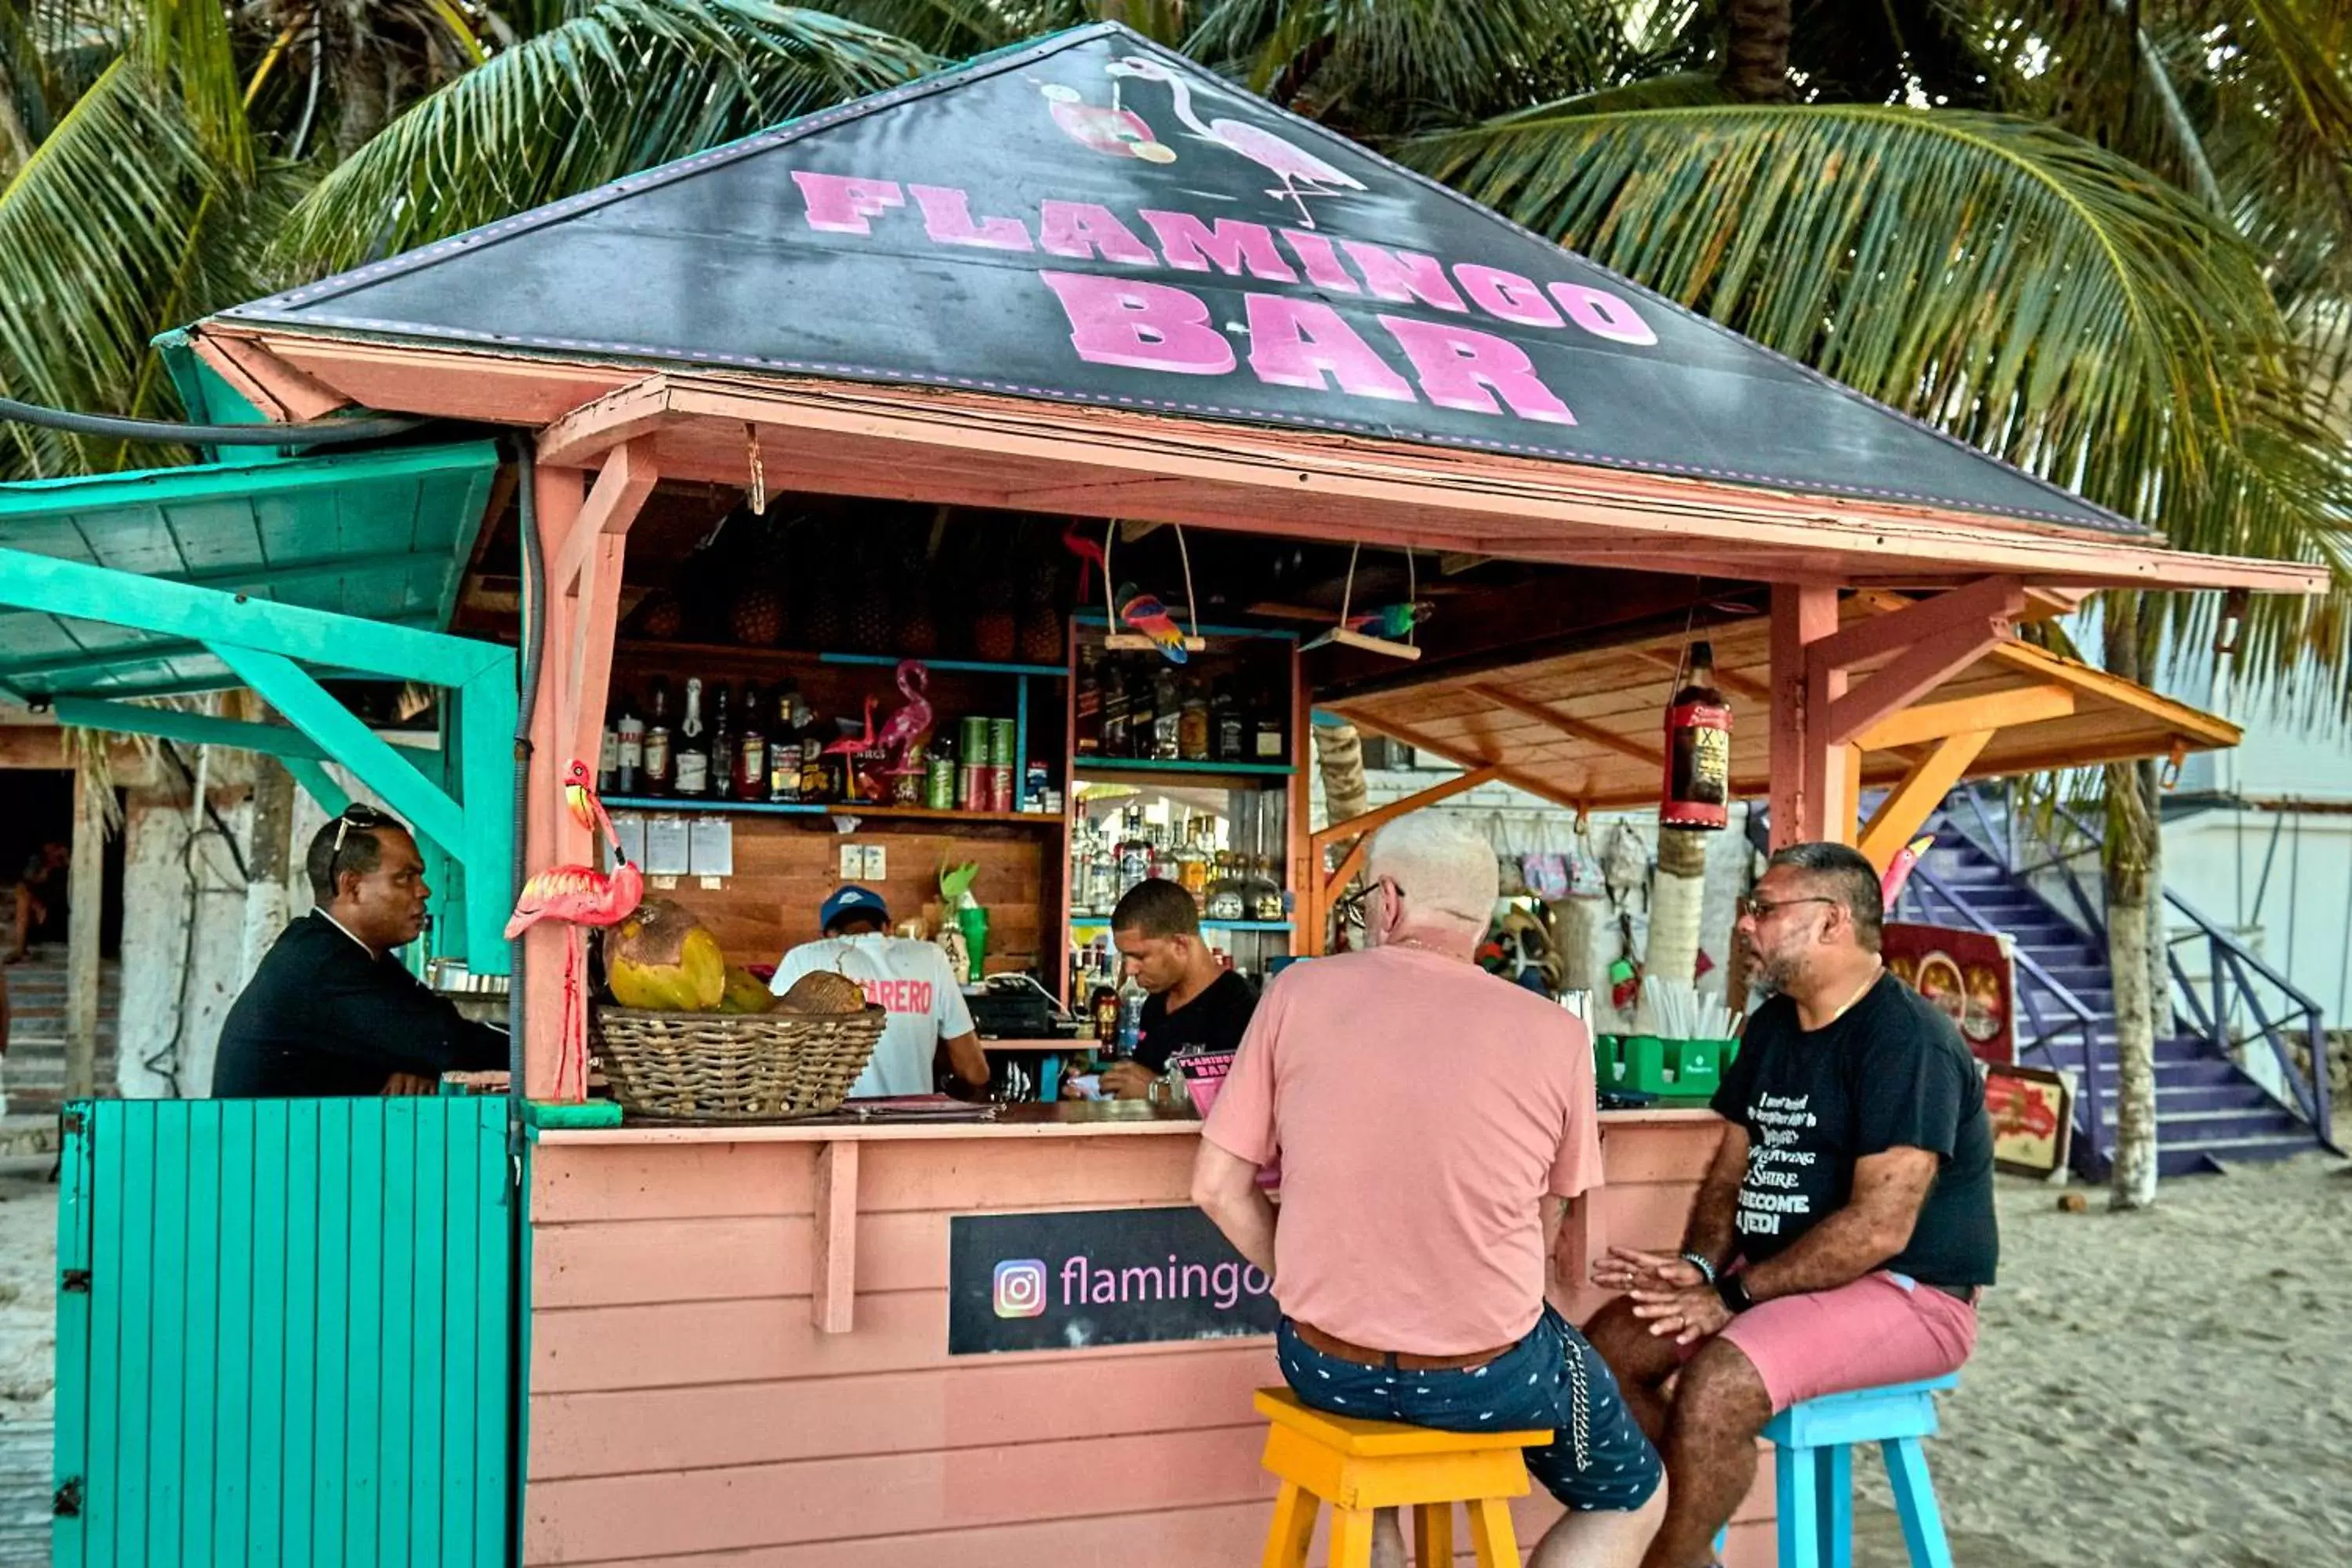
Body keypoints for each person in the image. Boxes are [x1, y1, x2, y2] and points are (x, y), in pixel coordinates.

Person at [1193, 813, 1666, 1568]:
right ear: (1480, 919)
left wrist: (1305, 1281)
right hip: (1487, 1374)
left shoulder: (1297, 992)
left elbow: (1216, 1189)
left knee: (1372, 1469)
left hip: (1326, 1365)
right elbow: (1548, 1224)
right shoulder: (1554, 1032)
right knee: (1632, 1494)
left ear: (1387, 901)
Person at [1585, 841, 1997, 1568]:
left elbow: (1879, 1227)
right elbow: (1728, 1172)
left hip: (1909, 1293)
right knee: (1606, 1355)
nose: (1748, 925)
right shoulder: (1775, 1025)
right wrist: (1699, 1267)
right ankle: (1685, 1555)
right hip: (1776, 1279)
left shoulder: (1909, 1040)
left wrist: (1734, 1296)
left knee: (1718, 1387)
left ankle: (1661, 1560)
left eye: (1766, 910)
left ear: (1833, 922)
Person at [213, 804, 508, 1097]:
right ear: (352, 887)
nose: (424, 890)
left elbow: (432, 1031)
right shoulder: (322, 963)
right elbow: (450, 1045)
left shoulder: (351, 953)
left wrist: (419, 1063)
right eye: (405, 877)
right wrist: (541, 1048)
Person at [771, 885, 990, 1098]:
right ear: (888, 928)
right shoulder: (930, 957)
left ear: (826, 934)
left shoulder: (802, 958)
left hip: (830, 1120)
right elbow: (974, 1071)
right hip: (910, 1124)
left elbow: (768, 1046)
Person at [1098, 877, 1257, 1102]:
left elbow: (1244, 1107)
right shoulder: (1155, 1004)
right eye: (1126, 956)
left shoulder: (1240, 1009)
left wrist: (1158, 1093)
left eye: (1140, 956)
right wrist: (1104, 1087)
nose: (1130, 969)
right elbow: (1142, 1083)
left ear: (1180, 946)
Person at [5, 839, 68, 964]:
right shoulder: (39, 862)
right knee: (22, 892)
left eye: (55, 847)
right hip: (41, 915)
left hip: (62, 915)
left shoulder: (70, 863)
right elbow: (26, 884)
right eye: (49, 847)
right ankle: (20, 949)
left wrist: (64, 861)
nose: (52, 850)